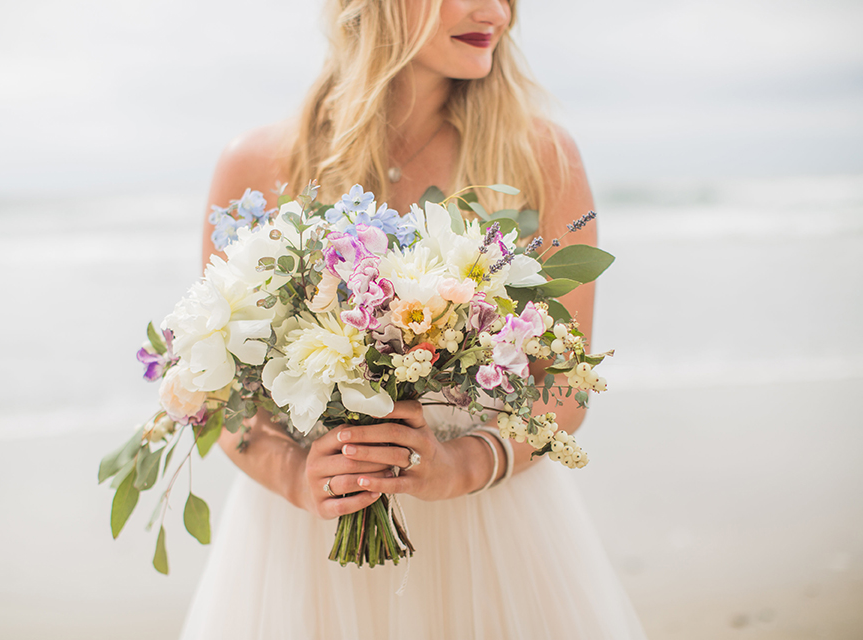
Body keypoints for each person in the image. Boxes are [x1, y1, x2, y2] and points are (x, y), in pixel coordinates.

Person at [179, 1, 646, 638]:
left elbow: (563, 384)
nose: (497, 12)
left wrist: (464, 466)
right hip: (304, 543)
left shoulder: (537, 156)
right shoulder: (258, 165)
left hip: (491, 533)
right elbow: (216, 386)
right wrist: (293, 473)